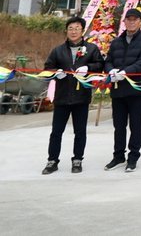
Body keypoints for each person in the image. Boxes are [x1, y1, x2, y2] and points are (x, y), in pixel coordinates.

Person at [42, 16, 103, 174]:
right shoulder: (58, 50)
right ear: (66, 31)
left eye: (77, 28)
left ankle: (77, 160)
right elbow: (47, 68)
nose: (73, 31)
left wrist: (88, 68)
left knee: (80, 131)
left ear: (82, 31)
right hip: (62, 97)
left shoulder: (91, 49)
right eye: (70, 28)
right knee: (56, 132)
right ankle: (52, 161)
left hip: (81, 97)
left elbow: (100, 65)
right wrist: (56, 73)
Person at [103, 8, 141, 172]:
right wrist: (111, 71)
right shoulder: (116, 42)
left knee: (135, 125)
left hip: (136, 90)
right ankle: (118, 156)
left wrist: (125, 72)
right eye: (129, 19)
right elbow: (108, 61)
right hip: (118, 89)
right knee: (118, 125)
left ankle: (133, 157)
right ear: (124, 21)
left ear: (140, 22)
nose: (131, 22)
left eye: (135, 19)